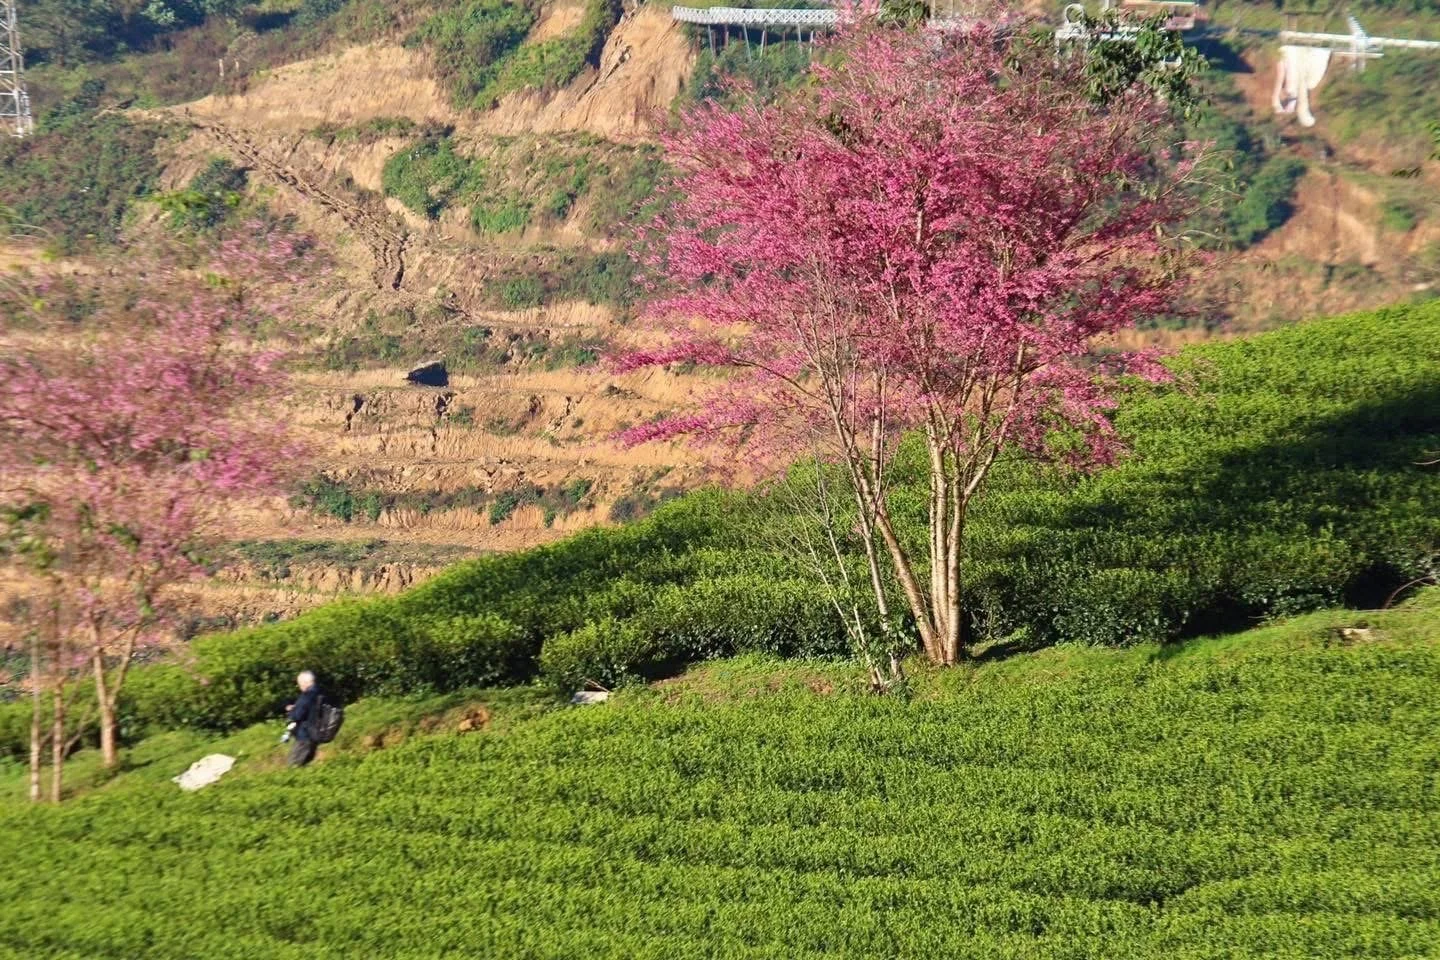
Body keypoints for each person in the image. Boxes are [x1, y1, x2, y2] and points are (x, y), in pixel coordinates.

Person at [283, 671, 323, 768]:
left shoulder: (307, 695)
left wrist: (291, 710)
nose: (299, 686)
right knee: (303, 765)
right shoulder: (321, 692)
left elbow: (297, 715)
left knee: (293, 766)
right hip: (315, 735)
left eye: (299, 684)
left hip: (304, 736)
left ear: (305, 683)